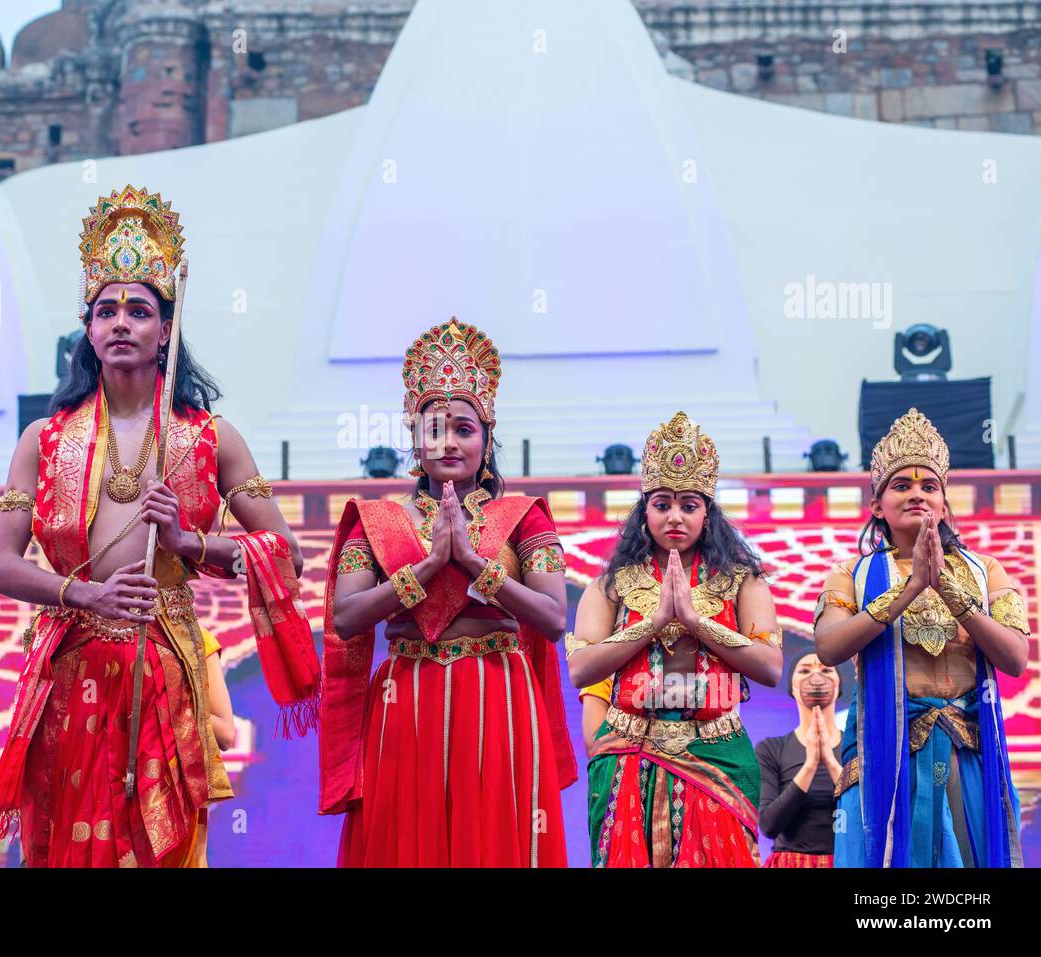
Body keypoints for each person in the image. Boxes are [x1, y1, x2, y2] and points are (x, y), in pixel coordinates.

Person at [0, 185, 314, 868]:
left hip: (164, 667)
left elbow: (287, 552)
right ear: (88, 328)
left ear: (167, 327)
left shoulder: (210, 439)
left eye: (139, 310)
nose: (120, 323)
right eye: (106, 311)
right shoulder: (42, 440)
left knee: (156, 848)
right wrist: (83, 594)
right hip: (69, 674)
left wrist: (193, 543)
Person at [320, 319, 577, 867]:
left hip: (498, 695)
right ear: (416, 440)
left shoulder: (524, 517)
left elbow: (554, 619)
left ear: (487, 438)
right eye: (435, 429)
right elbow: (345, 618)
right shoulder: (377, 520)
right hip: (405, 694)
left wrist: (475, 565)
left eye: (464, 428)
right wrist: (431, 564)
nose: (449, 442)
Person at [568, 411, 783, 867]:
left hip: (717, 753)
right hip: (629, 753)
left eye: (689, 505)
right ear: (644, 511)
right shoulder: (610, 585)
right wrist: (653, 621)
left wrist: (695, 620)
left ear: (708, 513)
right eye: (662, 503)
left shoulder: (744, 582)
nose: (675, 517)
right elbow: (581, 669)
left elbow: (770, 667)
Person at [815, 408, 1027, 867]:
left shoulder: (986, 572)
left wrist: (947, 588)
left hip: (967, 747)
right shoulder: (850, 573)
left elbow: (1014, 659)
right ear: (877, 505)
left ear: (945, 506)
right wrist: (910, 588)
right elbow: (829, 648)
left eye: (929, 486)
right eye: (902, 485)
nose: (917, 494)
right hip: (883, 749)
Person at [755, 651, 842, 867]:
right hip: (791, 861)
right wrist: (810, 764)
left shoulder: (857, 747)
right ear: (792, 688)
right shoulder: (771, 749)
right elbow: (768, 826)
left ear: (839, 685)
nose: (816, 677)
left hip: (846, 860)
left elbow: (869, 816)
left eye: (826, 670)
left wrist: (830, 762)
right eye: (804, 670)